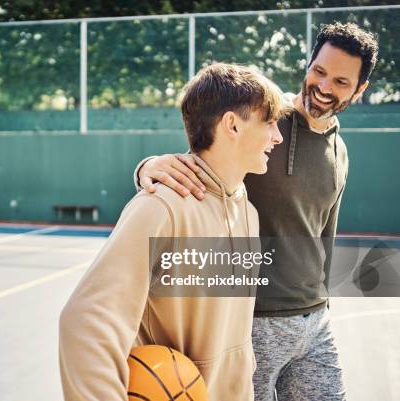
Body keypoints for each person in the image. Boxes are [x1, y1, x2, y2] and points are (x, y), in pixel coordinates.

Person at [134, 23, 379, 401]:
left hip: (314, 322)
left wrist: (323, 301)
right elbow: (200, 155)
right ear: (309, 63)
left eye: (342, 82)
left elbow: (324, 233)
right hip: (252, 322)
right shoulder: (264, 118)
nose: (324, 87)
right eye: (319, 71)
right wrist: (148, 166)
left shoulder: (339, 150)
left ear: (360, 89)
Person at [59, 63, 287, 401]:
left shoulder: (248, 213)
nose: (277, 136)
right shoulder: (161, 207)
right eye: (269, 122)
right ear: (232, 125)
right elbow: (85, 323)